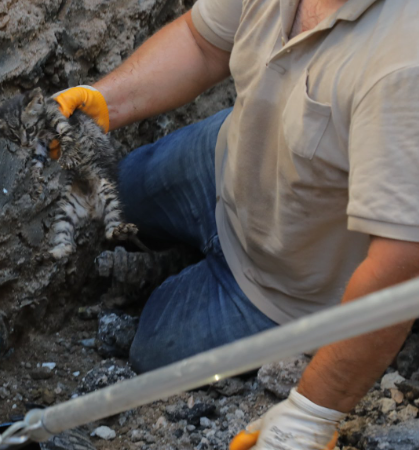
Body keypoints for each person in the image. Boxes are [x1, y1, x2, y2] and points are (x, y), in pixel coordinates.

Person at [53, 0, 419, 448]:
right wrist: (101, 105)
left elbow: (402, 265)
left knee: (151, 349)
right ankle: (171, 257)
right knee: (120, 187)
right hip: (227, 163)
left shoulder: (403, 62)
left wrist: (311, 413)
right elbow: (201, 43)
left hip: (284, 287)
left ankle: (166, 270)